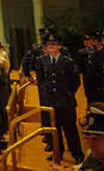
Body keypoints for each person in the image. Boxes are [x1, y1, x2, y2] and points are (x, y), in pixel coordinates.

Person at [35, 33, 85, 163]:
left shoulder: (68, 61)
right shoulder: (42, 61)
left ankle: (77, 154)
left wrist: (68, 93)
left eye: (54, 44)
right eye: (48, 45)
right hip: (51, 101)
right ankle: (58, 153)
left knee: (70, 129)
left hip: (65, 101)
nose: (51, 47)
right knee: (54, 130)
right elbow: (41, 80)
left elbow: (75, 81)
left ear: (59, 46)